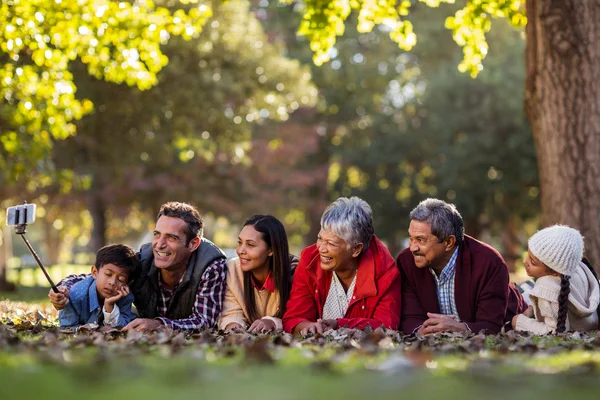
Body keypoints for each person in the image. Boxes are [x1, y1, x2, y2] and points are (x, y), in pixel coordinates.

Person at [50, 202, 228, 332]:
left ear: (193, 243)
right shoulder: (143, 260)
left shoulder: (211, 266)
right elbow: (95, 277)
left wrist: (159, 324)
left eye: (171, 238)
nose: (159, 244)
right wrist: (64, 288)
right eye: (157, 235)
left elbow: (205, 322)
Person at [397, 198, 527, 335]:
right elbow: (409, 317)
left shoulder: (489, 262)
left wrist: (462, 329)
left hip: (515, 313)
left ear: (448, 242)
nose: (412, 247)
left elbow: (491, 325)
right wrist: (420, 330)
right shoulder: (406, 262)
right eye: (411, 238)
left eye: (420, 240)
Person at [283, 197, 401, 335]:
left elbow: (386, 325)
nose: (321, 248)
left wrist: (339, 325)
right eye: (320, 238)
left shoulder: (386, 272)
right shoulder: (310, 260)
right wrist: (307, 326)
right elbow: (294, 317)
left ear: (356, 249)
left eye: (331, 244)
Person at [512, 225, 600, 334]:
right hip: (591, 320)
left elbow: (553, 330)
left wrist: (519, 322)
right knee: (526, 289)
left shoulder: (547, 288)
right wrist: (531, 310)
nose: (525, 261)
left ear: (555, 272)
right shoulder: (576, 268)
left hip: (576, 326)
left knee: (521, 294)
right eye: (528, 254)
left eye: (533, 262)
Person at [219, 215, 298, 333]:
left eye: (250, 245)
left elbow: (299, 316)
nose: (240, 250)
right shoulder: (233, 269)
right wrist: (233, 324)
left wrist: (272, 322)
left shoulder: (294, 272)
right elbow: (231, 312)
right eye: (240, 242)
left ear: (271, 250)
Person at [59, 244, 138, 328]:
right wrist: (92, 329)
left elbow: (122, 327)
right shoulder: (75, 295)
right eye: (108, 274)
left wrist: (109, 306)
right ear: (95, 272)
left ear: (127, 284)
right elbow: (66, 327)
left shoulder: (125, 296)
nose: (112, 282)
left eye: (121, 279)